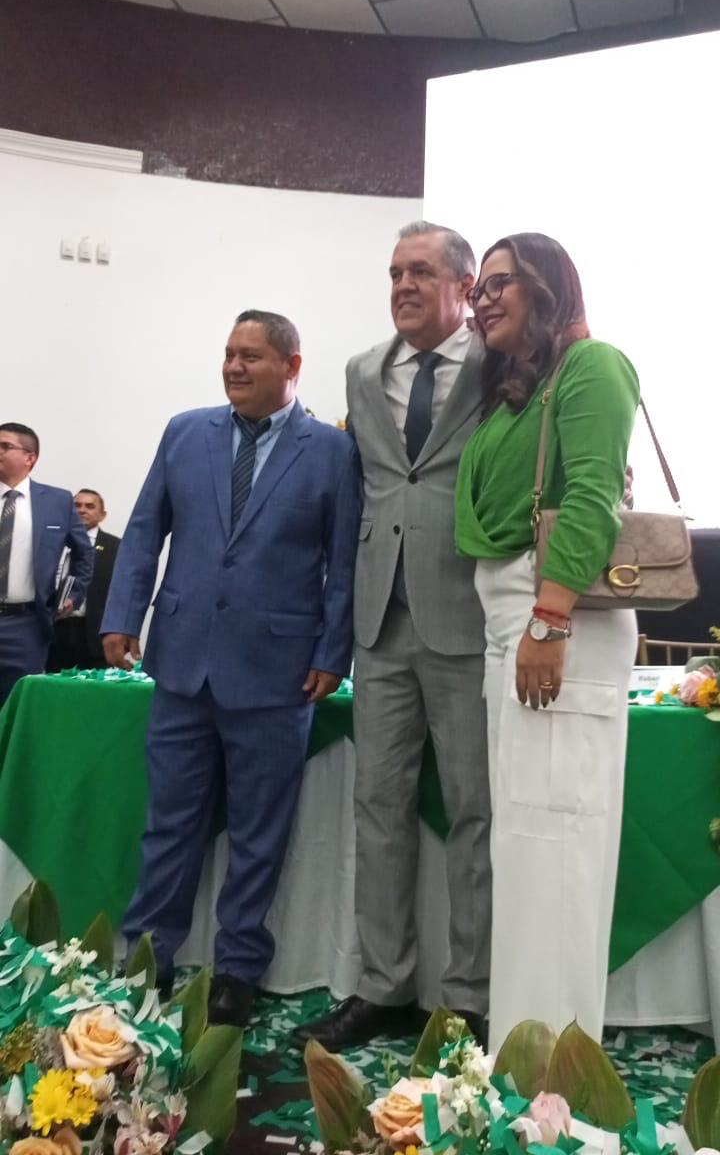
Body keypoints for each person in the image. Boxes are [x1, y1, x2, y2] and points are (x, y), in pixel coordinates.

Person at [101, 310, 362, 1026]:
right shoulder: (185, 432)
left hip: (279, 675)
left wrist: (331, 652)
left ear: (292, 366)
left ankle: (238, 970)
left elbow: (344, 562)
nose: (234, 367)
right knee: (169, 824)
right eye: (228, 354)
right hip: (182, 665)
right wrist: (121, 615)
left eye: (251, 355)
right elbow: (145, 530)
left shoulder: (333, 452)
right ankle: (148, 956)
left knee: (258, 834)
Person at [294, 221, 491, 1051]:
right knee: (378, 807)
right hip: (380, 620)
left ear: (464, 286)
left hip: (470, 615)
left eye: (420, 272)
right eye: (394, 273)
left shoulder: (501, 364)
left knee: (476, 811)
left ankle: (470, 997)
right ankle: (382, 986)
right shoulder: (361, 370)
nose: (403, 286)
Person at [454, 233, 640, 1048]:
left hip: (558, 623)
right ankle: (523, 1061)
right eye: (480, 288)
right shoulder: (519, 390)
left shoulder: (592, 366)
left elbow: (594, 496)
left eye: (502, 282)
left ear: (548, 285)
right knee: (527, 847)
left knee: (557, 847)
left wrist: (550, 616)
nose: (483, 298)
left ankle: (554, 1076)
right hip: (517, 621)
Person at [0, 422, 94, 707]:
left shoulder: (57, 501)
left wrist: (73, 594)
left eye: (4, 446)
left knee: (19, 707)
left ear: (30, 457)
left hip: (26, 624)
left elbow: (84, 553)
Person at [47, 489, 120, 671]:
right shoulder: (51, 542)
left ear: (102, 515)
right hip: (54, 631)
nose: (82, 510)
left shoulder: (116, 546)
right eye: (77, 505)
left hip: (94, 635)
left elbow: (122, 592)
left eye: (90, 506)